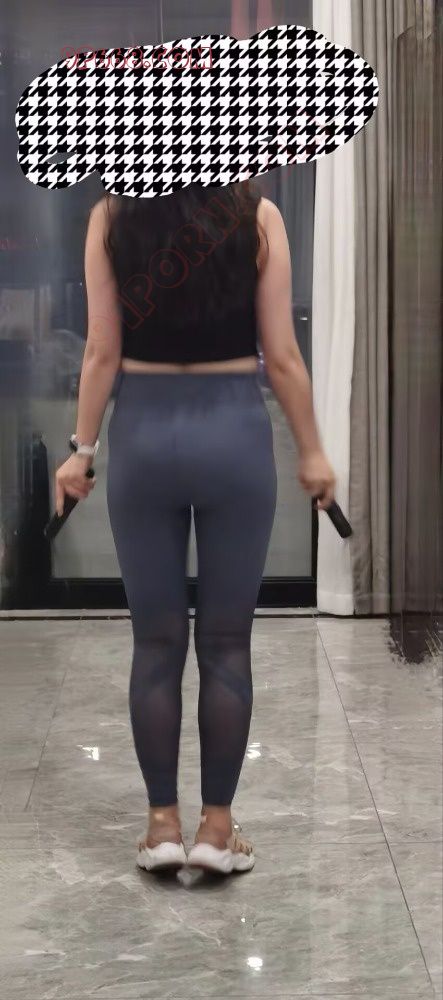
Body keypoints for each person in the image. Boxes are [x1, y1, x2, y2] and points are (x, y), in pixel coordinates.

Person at [54, 180, 335, 876]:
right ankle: (215, 831)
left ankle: (161, 829)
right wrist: (311, 452)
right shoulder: (260, 216)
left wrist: (81, 451)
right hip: (233, 435)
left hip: (144, 438)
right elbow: (283, 356)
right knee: (226, 643)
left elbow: (100, 351)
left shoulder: (111, 215)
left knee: (155, 643)